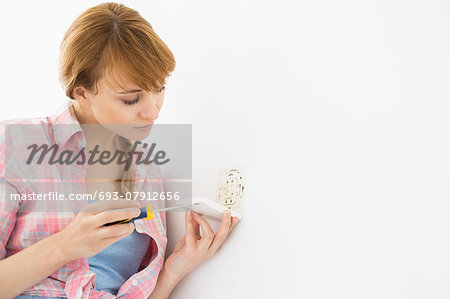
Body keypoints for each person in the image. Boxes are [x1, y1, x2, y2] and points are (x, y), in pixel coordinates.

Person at [0, 2, 239, 298]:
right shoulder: (17, 142)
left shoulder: (146, 173)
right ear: (82, 92)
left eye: (159, 88)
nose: (152, 111)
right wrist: (66, 245)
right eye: (130, 99)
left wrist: (175, 268)